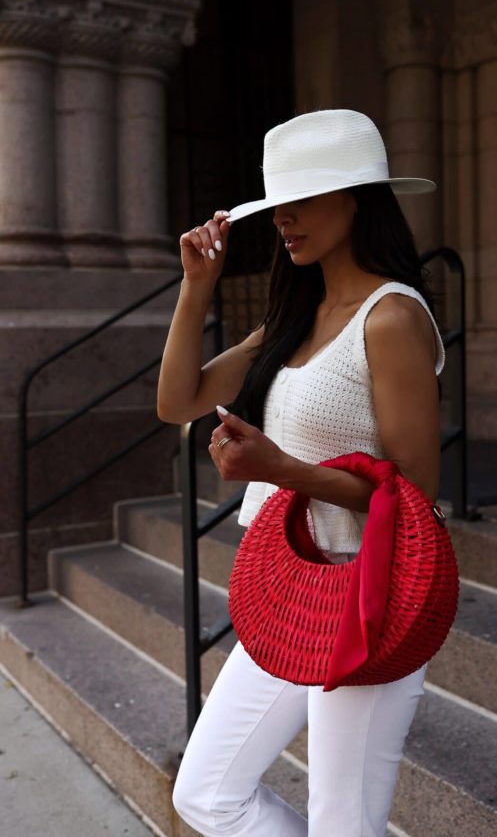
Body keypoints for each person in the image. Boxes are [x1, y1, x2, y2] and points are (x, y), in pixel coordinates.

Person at [158, 109, 445, 837]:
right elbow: (177, 400)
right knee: (206, 791)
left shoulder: (391, 318)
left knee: (343, 825)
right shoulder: (296, 316)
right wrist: (197, 286)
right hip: (290, 584)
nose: (284, 219)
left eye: (304, 200)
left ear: (358, 199)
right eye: (276, 204)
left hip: (368, 589)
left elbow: (414, 494)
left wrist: (281, 467)